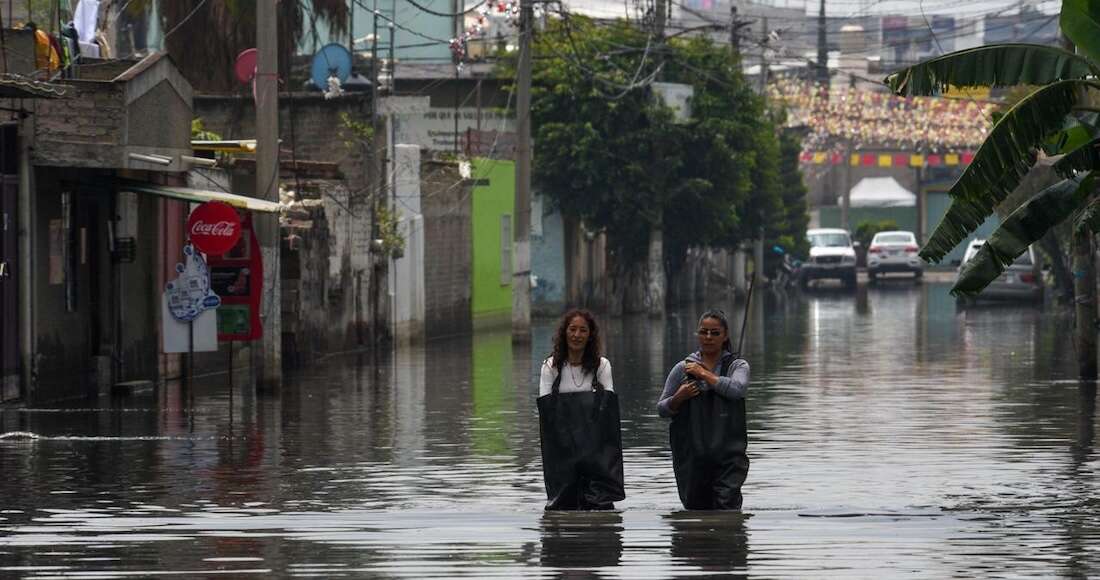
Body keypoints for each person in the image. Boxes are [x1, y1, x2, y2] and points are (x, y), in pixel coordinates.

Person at [658, 309, 750, 510]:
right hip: (692, 458)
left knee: (727, 509)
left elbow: (737, 389)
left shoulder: (737, 366)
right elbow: (662, 409)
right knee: (694, 511)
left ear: (725, 336)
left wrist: (703, 374)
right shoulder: (682, 369)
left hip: (728, 457)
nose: (708, 337)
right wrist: (678, 398)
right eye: (704, 332)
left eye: (715, 333)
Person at [537, 309, 625, 510]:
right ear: (564, 332)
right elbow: (546, 410)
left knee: (600, 506)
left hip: (596, 449)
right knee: (563, 505)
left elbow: (608, 408)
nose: (577, 335)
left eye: (583, 330)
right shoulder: (550, 366)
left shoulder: (602, 366)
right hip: (562, 447)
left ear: (590, 335)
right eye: (572, 329)